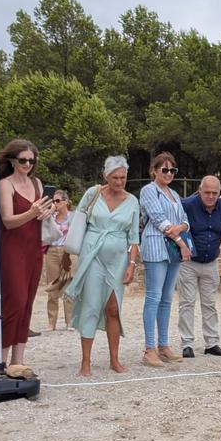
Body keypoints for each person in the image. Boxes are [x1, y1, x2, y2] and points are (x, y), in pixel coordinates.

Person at [0, 139, 52, 366]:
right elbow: (8, 221)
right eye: (22, 160)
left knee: (27, 302)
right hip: (11, 250)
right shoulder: (5, 185)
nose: (27, 164)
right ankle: (2, 358)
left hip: (34, 249)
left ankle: (18, 361)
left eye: (31, 160)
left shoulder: (37, 183)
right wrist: (32, 212)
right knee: (14, 302)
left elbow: (37, 217)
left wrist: (45, 214)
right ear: (11, 160)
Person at [65, 156, 140, 376]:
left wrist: (132, 264)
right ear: (105, 176)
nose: (119, 182)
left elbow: (134, 237)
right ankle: (85, 361)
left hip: (117, 260)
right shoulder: (92, 193)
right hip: (92, 256)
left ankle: (114, 359)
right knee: (91, 305)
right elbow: (78, 222)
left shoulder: (132, 201)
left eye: (123, 178)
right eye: (115, 177)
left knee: (113, 309)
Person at [139, 152, 189, 367]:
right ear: (155, 171)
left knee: (167, 297)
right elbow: (160, 220)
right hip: (156, 245)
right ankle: (149, 348)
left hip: (172, 249)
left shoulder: (174, 194)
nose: (169, 173)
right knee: (153, 297)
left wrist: (181, 228)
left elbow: (184, 220)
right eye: (164, 169)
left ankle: (163, 344)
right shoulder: (149, 191)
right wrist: (182, 242)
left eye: (172, 170)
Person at [178, 175, 221, 358]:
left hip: (211, 262)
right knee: (187, 303)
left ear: (219, 193)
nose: (210, 196)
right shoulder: (186, 205)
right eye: (207, 192)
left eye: (214, 193)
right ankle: (186, 343)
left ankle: (212, 343)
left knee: (210, 304)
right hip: (189, 262)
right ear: (200, 191)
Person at [40, 189, 74, 331]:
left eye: (57, 201)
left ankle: (70, 321)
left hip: (68, 252)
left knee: (69, 286)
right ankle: (52, 322)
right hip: (52, 250)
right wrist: (50, 211)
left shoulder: (73, 217)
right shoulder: (50, 217)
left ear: (65, 202)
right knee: (52, 285)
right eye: (53, 201)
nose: (55, 203)